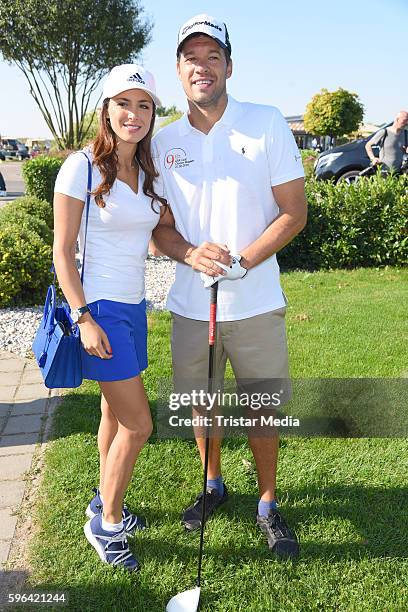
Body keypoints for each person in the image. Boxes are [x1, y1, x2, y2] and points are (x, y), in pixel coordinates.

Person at [152, 14, 307, 559]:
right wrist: (191, 252)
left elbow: (294, 212)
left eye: (212, 56)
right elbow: (160, 228)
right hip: (193, 305)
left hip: (256, 300)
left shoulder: (265, 123)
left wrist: (241, 261)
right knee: (203, 404)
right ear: (178, 70)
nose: (202, 66)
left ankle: (267, 502)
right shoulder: (162, 140)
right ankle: (212, 483)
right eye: (191, 58)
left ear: (229, 66)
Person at [53, 64, 167, 571]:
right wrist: (83, 317)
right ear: (106, 109)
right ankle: (107, 524)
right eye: (124, 103)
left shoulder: (146, 172)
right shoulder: (81, 167)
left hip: (133, 307)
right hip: (99, 311)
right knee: (140, 425)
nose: (134, 114)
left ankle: (104, 498)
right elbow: (61, 251)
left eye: (144, 105)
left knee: (113, 415)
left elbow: (155, 234)